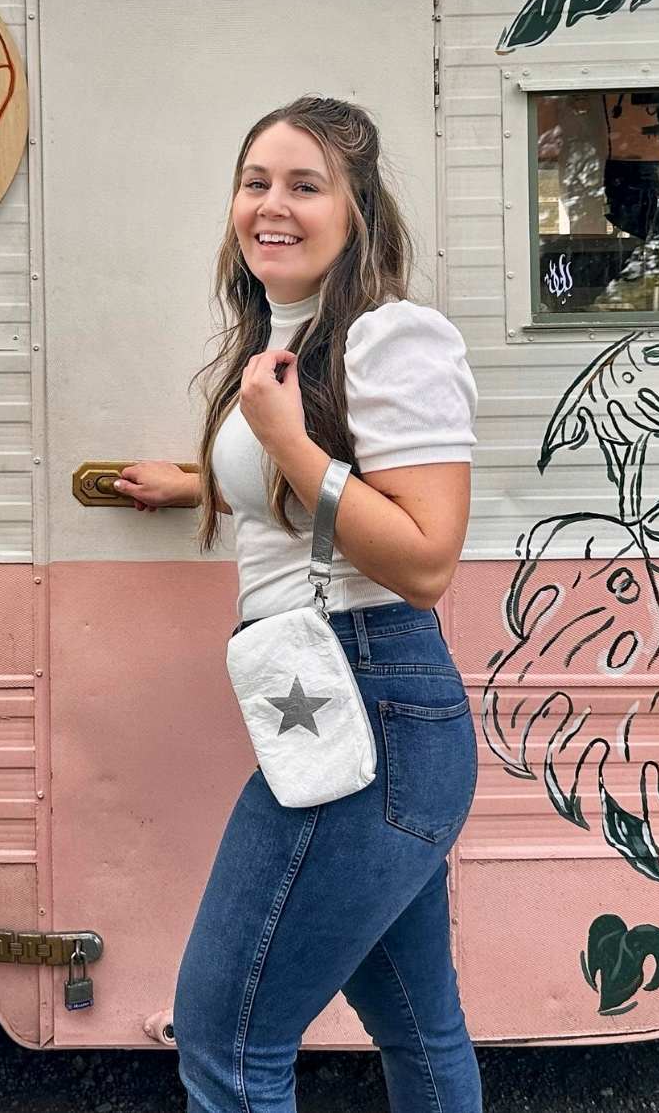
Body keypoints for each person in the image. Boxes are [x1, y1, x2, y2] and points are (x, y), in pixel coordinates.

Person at [112, 97, 482, 1112]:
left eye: (304, 185)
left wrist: (283, 444)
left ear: (357, 210)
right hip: (339, 701)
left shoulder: (392, 336)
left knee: (227, 1037)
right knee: (417, 1025)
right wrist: (202, 479)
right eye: (254, 181)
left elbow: (421, 556)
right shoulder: (292, 334)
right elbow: (322, 491)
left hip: (373, 702)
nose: (270, 205)